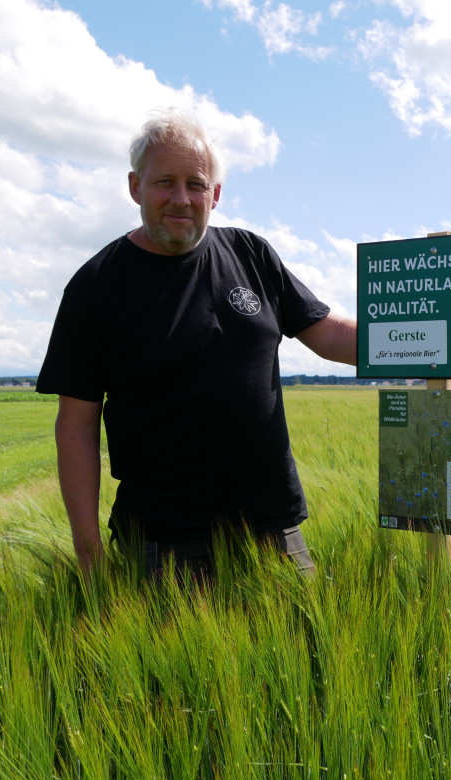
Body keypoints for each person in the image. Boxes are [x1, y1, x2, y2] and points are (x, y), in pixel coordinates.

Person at [37, 109, 356, 580]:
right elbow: (77, 428)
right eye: (165, 182)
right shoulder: (96, 286)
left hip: (274, 531)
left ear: (216, 194)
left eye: (196, 183)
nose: (181, 198)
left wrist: (428, 340)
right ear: (135, 187)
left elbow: (326, 333)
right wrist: (89, 558)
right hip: (163, 547)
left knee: (303, 651)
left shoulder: (252, 254)